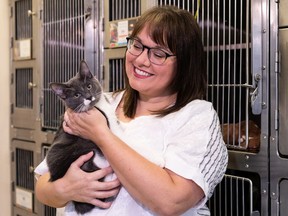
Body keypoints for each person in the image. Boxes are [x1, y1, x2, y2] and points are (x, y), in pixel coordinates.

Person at [35, 5, 228, 216]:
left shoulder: (196, 117)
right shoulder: (100, 103)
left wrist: (100, 134)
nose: (141, 60)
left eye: (159, 53)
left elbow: (171, 202)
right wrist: (65, 188)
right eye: (137, 45)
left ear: (184, 63)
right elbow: (44, 187)